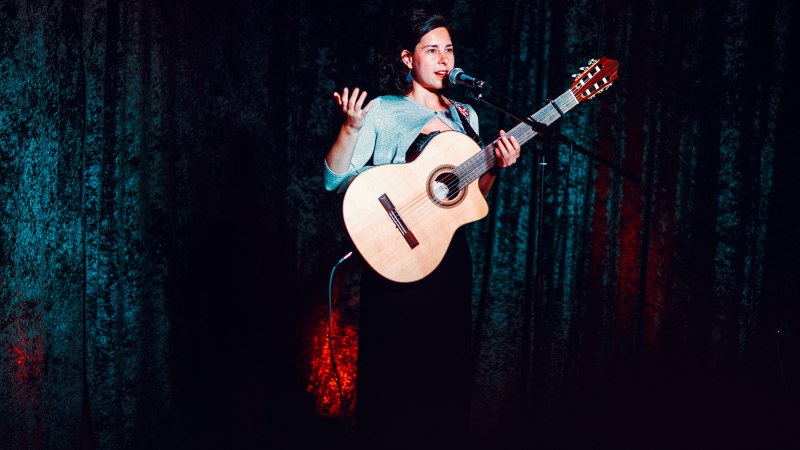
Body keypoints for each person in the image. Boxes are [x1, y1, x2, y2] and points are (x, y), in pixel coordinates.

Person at [323, 7, 521, 450]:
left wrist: (496, 165)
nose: (444, 59)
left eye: (448, 49)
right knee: (392, 384)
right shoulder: (384, 109)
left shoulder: (467, 116)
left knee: (443, 381)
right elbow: (334, 179)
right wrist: (351, 128)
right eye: (431, 49)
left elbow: (470, 200)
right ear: (408, 58)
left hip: (448, 260)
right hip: (395, 259)